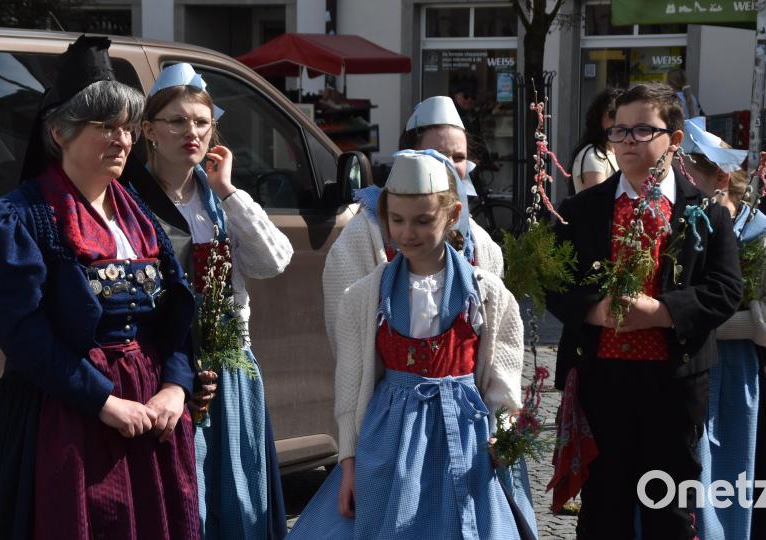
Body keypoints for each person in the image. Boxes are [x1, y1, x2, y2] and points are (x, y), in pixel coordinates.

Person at [0, 36, 199, 540]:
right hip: (68, 417)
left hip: (151, 413)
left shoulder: (140, 214)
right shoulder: (18, 219)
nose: (121, 140)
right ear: (59, 131)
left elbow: (177, 312)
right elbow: (24, 335)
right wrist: (104, 402)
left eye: (126, 128)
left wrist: (175, 388)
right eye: (105, 127)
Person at [289, 151, 534, 539]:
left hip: (465, 432)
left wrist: (502, 428)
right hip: (391, 436)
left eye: (422, 221)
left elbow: (502, 378)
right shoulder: (365, 295)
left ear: (452, 215)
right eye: (396, 220)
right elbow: (351, 384)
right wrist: (349, 462)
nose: (407, 233)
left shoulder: (486, 294)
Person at [546, 83, 742, 539]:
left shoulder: (706, 211)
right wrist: (594, 311)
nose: (627, 140)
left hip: (673, 382)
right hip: (602, 378)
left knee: (669, 509)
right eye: (618, 131)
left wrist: (661, 310)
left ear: (674, 141)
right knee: (603, 508)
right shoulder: (581, 209)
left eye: (640, 130)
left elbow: (725, 290)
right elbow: (555, 283)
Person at [123, 63, 293, 539]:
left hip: (228, 367)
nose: (190, 132)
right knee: (184, 499)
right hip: (166, 374)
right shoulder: (132, 197)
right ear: (149, 131)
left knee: (235, 497)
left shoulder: (216, 200)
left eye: (200, 122)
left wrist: (229, 191)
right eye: (176, 121)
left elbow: (274, 260)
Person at [681, 120, 766, 540]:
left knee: (740, 471)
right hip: (687, 372)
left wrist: (715, 324)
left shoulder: (761, 236)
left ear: (718, 178)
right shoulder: (686, 224)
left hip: (741, 375)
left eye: (689, 175)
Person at [323, 95, 503, 357]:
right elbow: (344, 331)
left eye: (459, 156)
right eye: (439, 155)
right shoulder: (365, 234)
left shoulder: (483, 245)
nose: (450, 166)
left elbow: (493, 338)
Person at [570, 88, 622, 193]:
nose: (618, 119)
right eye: (613, 113)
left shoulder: (615, 151)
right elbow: (598, 202)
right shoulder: (592, 155)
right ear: (598, 116)